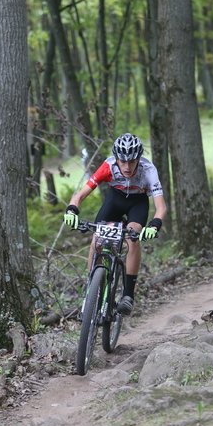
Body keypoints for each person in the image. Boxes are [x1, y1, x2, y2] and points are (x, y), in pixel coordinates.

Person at [64, 133, 167, 315]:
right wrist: (72, 209)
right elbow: (80, 195)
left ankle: (128, 295)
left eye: (132, 161)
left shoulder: (148, 170)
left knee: (133, 237)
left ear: (139, 159)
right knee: (97, 238)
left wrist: (154, 225)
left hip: (138, 202)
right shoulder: (108, 166)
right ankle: (91, 292)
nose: (127, 167)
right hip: (115, 199)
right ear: (117, 159)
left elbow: (161, 207)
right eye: (123, 161)